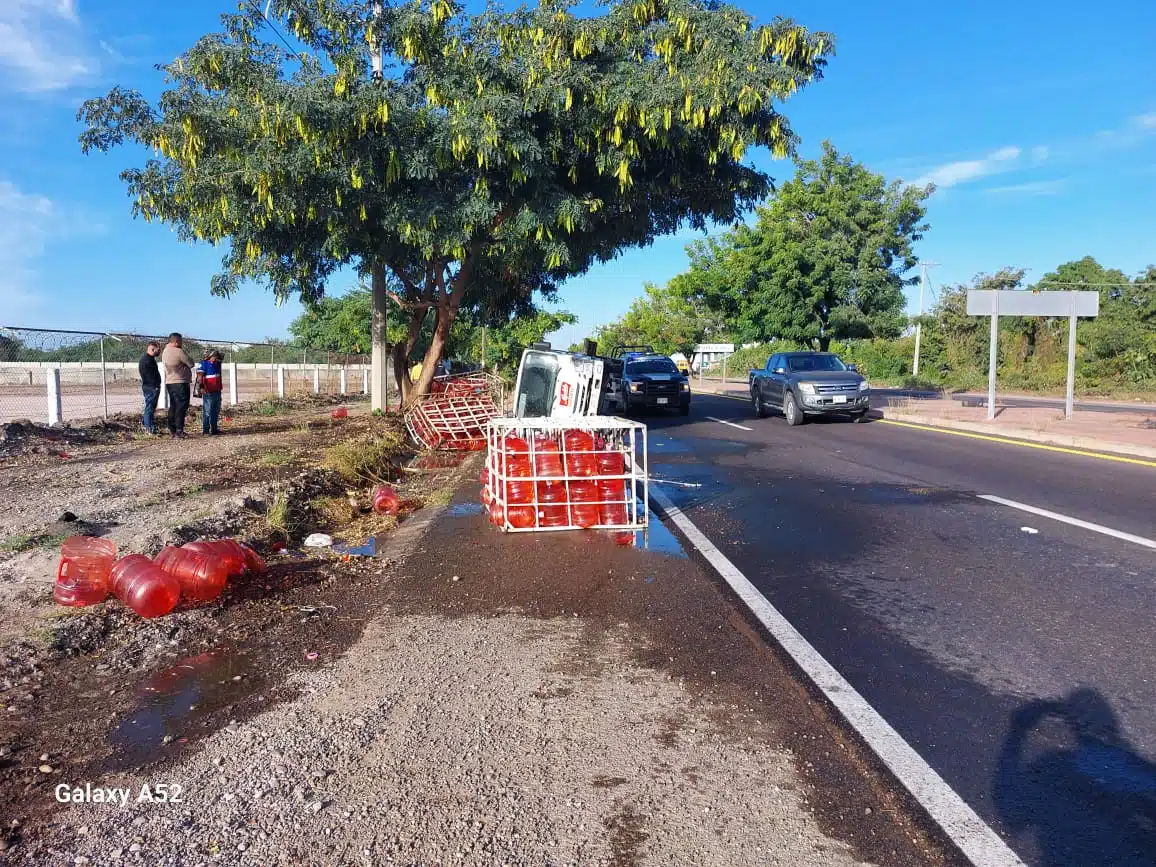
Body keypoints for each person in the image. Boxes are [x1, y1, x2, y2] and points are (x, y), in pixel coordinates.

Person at [161, 332, 193, 438]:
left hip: (170, 382)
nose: (182, 343)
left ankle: (173, 430)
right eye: (181, 341)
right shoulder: (179, 351)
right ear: (176, 341)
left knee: (173, 406)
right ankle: (179, 430)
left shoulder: (165, 351)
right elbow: (190, 363)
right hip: (180, 382)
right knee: (181, 406)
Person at [138, 341, 162, 434]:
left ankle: (148, 425)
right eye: (158, 350)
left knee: (150, 407)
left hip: (150, 386)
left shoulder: (148, 359)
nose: (159, 352)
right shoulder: (147, 360)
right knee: (150, 408)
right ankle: (148, 428)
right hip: (151, 387)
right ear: (152, 349)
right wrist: (155, 386)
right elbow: (149, 375)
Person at [200, 350, 224, 435]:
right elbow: (200, 376)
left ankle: (214, 429)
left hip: (217, 390)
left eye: (216, 357)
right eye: (213, 357)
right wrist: (201, 387)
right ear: (209, 357)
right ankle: (206, 430)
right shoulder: (204, 363)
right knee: (207, 411)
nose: (214, 359)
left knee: (215, 411)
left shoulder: (217, 364)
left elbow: (222, 356)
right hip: (208, 391)